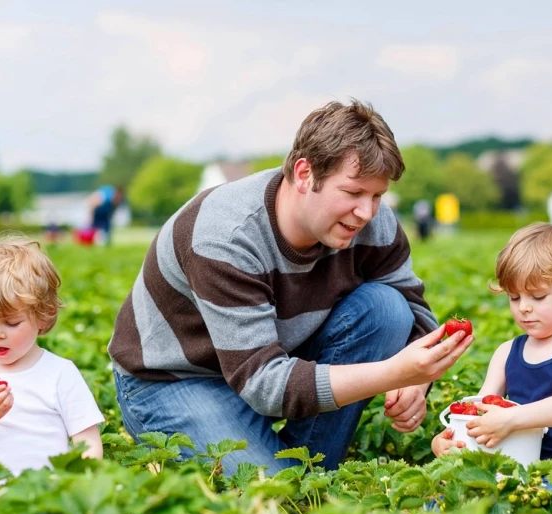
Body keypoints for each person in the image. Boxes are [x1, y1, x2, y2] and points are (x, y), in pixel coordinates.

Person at [109, 99, 473, 475]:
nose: (366, 212)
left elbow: (415, 312)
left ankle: (307, 466)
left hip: (274, 357)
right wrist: (395, 373)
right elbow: (263, 383)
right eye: (352, 193)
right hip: (178, 379)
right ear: (304, 174)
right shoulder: (224, 236)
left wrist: (418, 383)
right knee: (275, 498)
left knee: (388, 308)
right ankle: (290, 469)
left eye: (377, 195)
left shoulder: (373, 224)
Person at [431, 223, 552, 493]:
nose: (524, 307)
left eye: (538, 296)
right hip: (508, 472)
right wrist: (449, 439)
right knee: (446, 499)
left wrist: (512, 419)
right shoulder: (507, 352)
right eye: (514, 297)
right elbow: (479, 411)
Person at [0, 234, 105, 476]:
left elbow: (89, 445)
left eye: (11, 323)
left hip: (45, 497)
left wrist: (77, 484)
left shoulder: (60, 373)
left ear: (43, 316)